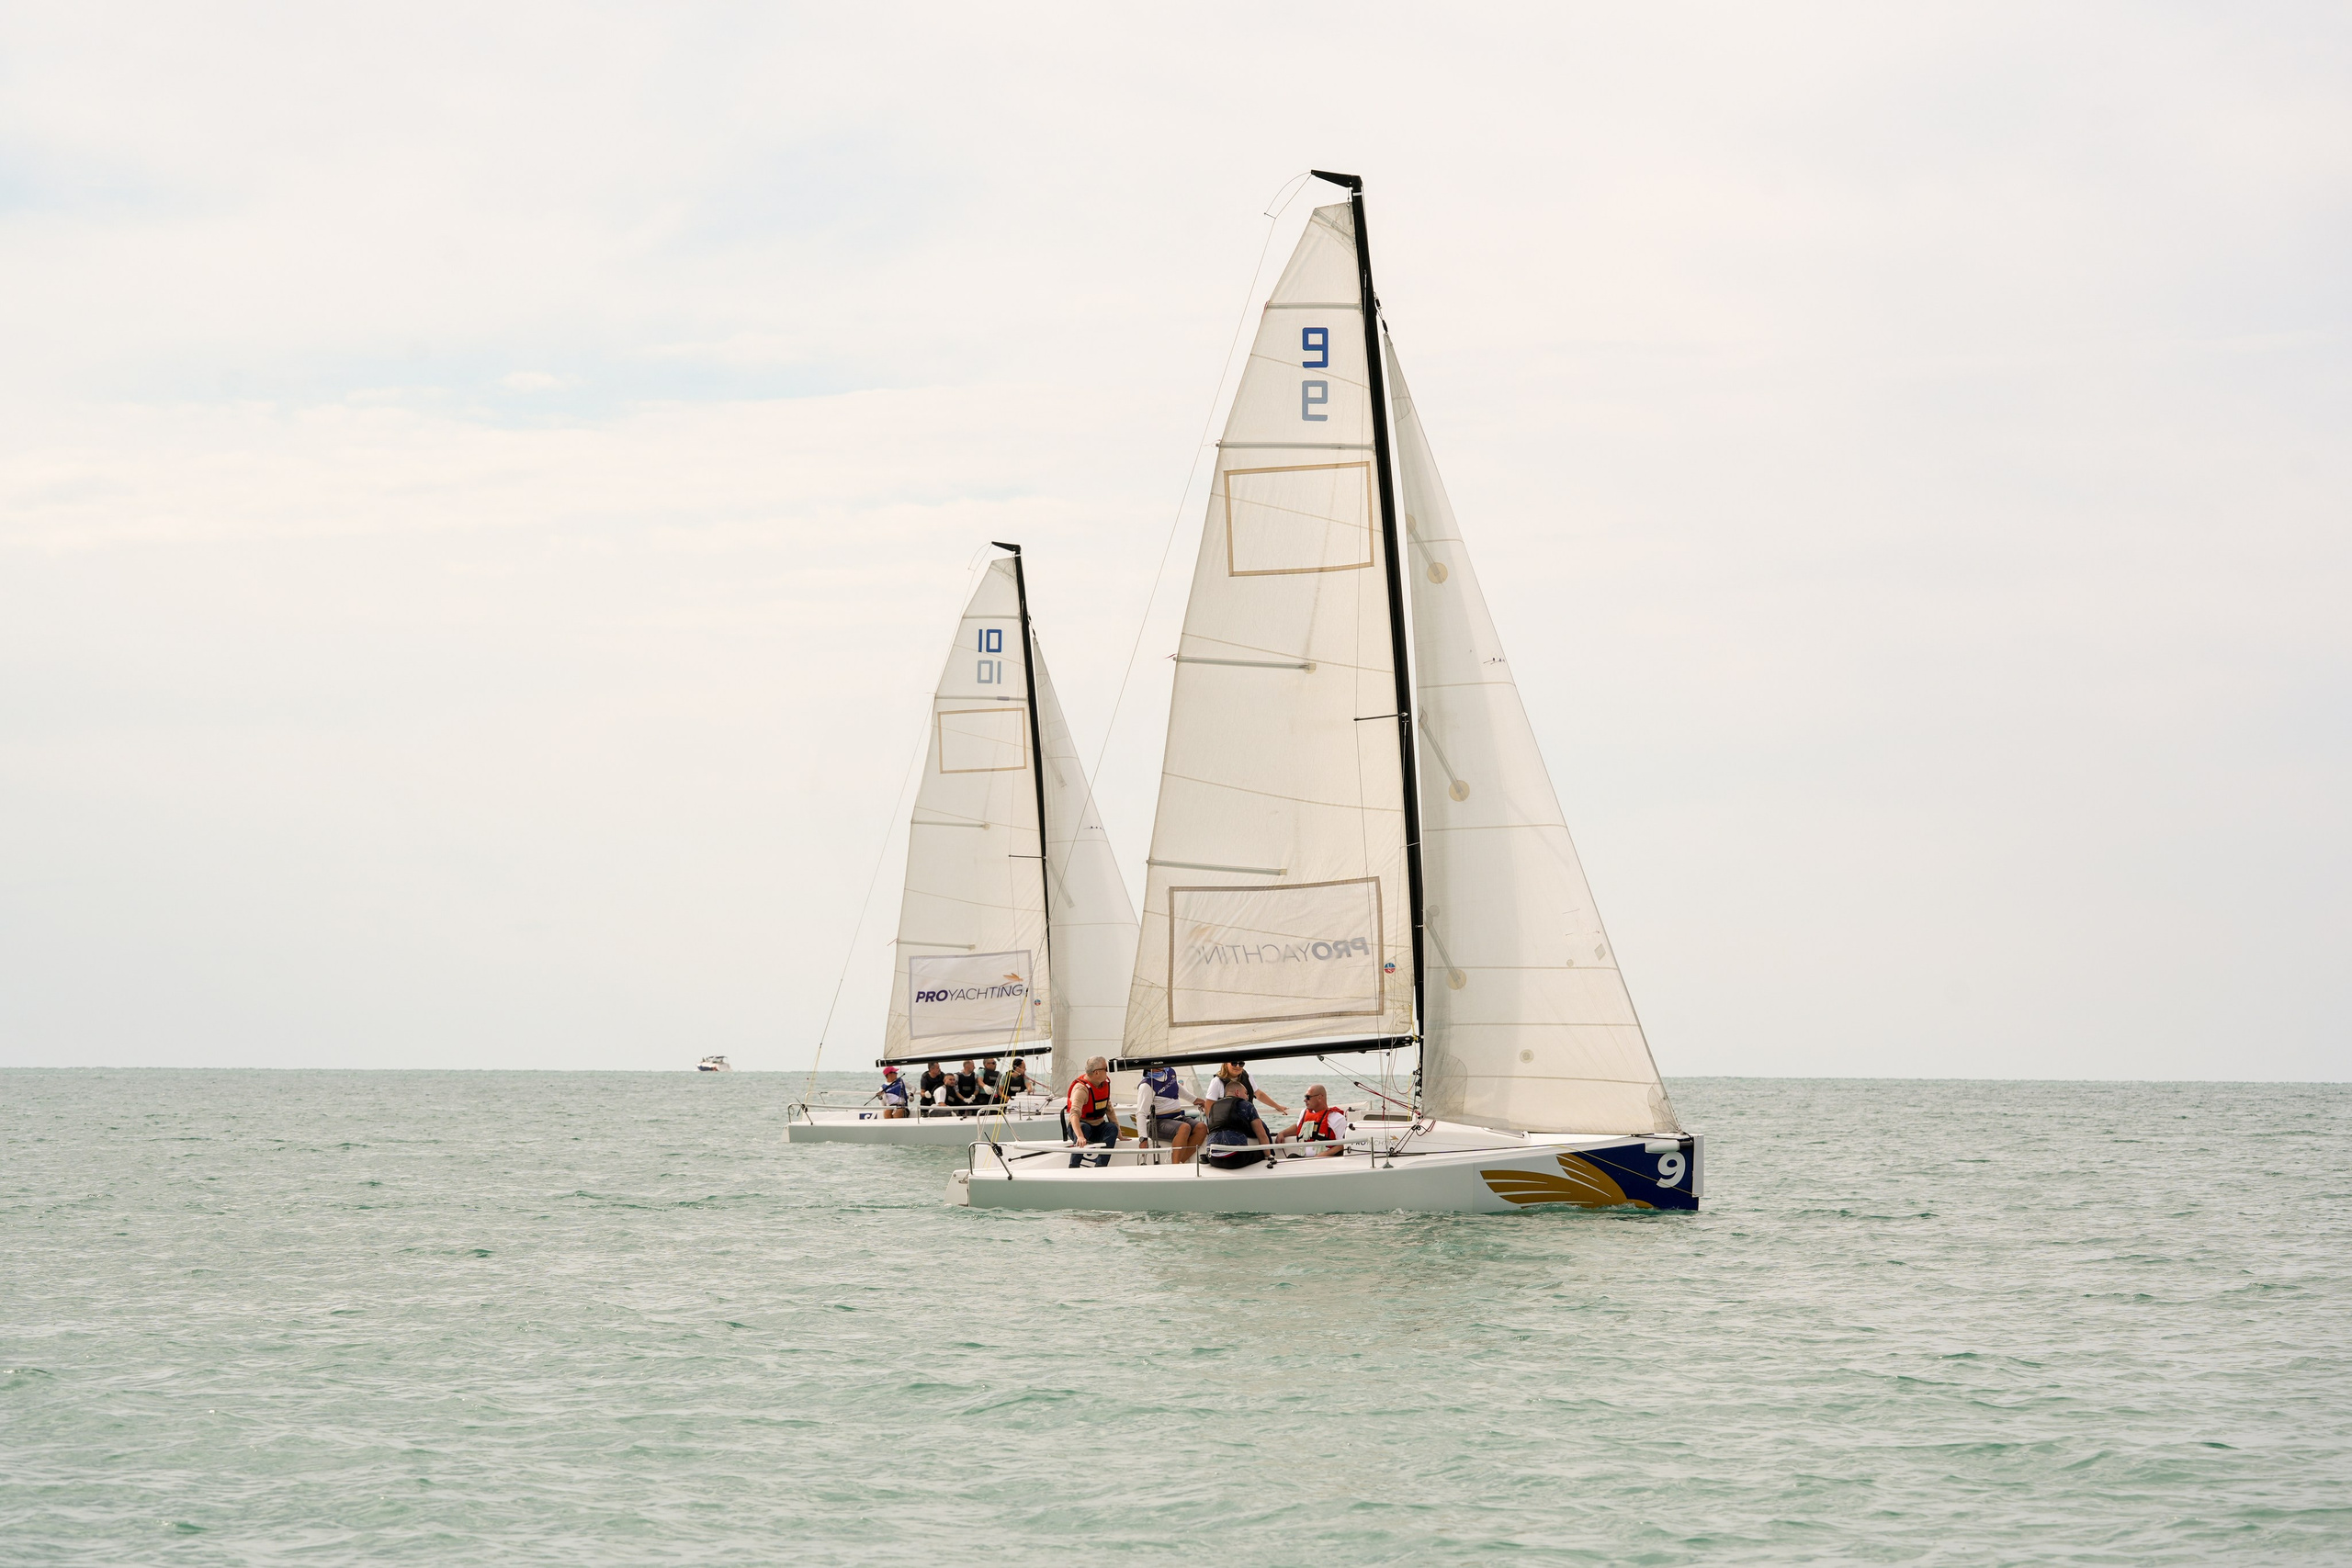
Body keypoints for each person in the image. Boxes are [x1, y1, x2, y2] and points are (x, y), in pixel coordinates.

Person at [1136, 1065, 1205, 1164]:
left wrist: (1195, 1100)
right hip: (1156, 1123)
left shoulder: (1170, 1072)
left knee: (1201, 1127)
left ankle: (1182, 1161)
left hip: (1177, 1117)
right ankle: (1175, 1166)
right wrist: (1143, 1139)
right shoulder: (1146, 1086)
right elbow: (1141, 1113)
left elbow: (1176, 1087)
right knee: (1184, 1128)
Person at [1200, 1080, 1272, 1169]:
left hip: (1213, 1158)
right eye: (1246, 1093)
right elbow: (1262, 1135)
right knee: (1261, 1152)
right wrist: (1268, 1156)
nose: (1247, 1097)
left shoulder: (1213, 1107)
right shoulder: (1247, 1106)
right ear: (1237, 1092)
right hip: (1235, 1159)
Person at [1065, 1056, 1119, 1168]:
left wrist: (1119, 1133)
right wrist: (1080, 1136)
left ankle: (1100, 1166)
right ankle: (1074, 1167)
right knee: (1085, 1128)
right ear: (1097, 1072)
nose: (1107, 1072)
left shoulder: (1104, 1084)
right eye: (1106, 1069)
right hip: (1080, 1127)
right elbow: (1074, 1115)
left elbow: (1109, 1109)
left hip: (1098, 1126)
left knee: (1112, 1128)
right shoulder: (1081, 1089)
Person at [1279, 1083, 1348, 1155]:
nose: (1305, 1100)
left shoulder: (1337, 1118)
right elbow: (1298, 1127)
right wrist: (1282, 1133)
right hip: (1304, 1160)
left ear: (1319, 1098)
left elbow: (1343, 1144)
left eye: (1308, 1097)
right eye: (1305, 1097)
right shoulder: (1304, 1113)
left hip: (1325, 1160)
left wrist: (1325, 1154)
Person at [1204, 1061, 1289, 1118]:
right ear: (1226, 1064)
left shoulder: (1247, 1076)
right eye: (1234, 1063)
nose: (1237, 1066)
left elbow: (1258, 1094)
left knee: (1263, 1132)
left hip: (1247, 1118)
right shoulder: (1217, 1082)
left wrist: (1277, 1107)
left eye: (1241, 1064)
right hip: (1228, 1121)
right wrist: (1212, 1126)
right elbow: (1209, 1105)